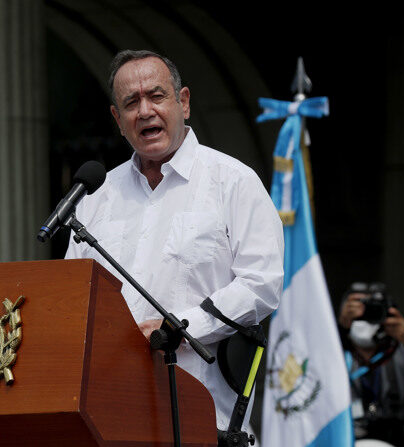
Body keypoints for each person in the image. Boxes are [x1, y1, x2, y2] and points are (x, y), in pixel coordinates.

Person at [65, 49, 284, 431]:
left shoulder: (232, 181)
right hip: (110, 413)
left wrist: (179, 327)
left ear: (183, 102)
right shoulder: (96, 195)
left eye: (157, 96)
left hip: (200, 412)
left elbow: (261, 283)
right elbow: (72, 297)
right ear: (118, 120)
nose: (145, 110)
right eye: (131, 103)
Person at [338, 282, 404, 446]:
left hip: (396, 438)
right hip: (347, 437)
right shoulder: (334, 350)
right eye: (359, 308)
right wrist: (339, 330)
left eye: (373, 308)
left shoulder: (399, 350)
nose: (366, 314)